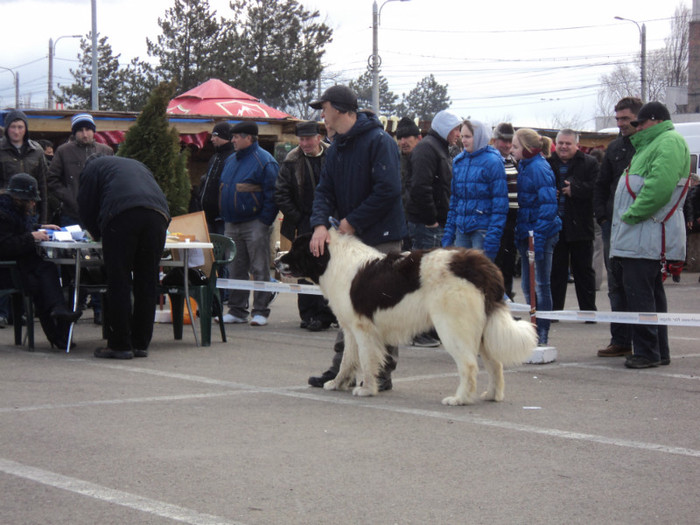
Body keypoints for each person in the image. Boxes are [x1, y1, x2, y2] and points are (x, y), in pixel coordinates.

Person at [307, 84, 406, 390]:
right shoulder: (336, 147)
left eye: (324, 108)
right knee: (346, 305)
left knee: (382, 310)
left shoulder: (379, 142)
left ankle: (379, 373)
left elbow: (388, 190)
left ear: (340, 109)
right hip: (350, 240)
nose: (321, 114)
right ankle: (344, 369)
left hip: (381, 237)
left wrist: (352, 221)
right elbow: (324, 191)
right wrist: (320, 224)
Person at [609, 102, 690, 369]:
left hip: (646, 235)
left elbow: (660, 187)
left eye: (640, 123)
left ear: (655, 121)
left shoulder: (667, 142)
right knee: (649, 294)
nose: (637, 127)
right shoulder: (653, 144)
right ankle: (657, 350)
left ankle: (647, 352)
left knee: (641, 295)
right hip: (642, 236)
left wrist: (631, 215)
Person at [78, 156, 170, 360]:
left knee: (118, 280)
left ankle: (120, 344)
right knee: (147, 281)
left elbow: (85, 205)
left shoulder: (92, 167)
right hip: (158, 216)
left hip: (122, 216)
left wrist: (97, 233)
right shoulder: (138, 164)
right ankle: (140, 343)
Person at [0, 173, 82, 348]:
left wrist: (40, 227)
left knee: (42, 279)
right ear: (18, 198)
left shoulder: (14, 211)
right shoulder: (4, 215)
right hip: (7, 270)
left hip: (22, 265)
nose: (33, 203)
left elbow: (20, 229)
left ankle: (58, 324)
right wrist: (31, 236)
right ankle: (58, 323)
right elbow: (5, 245)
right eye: (30, 200)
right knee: (42, 278)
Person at [47, 112, 114, 324]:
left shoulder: (106, 151)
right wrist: (69, 197)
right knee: (70, 262)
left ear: (94, 131)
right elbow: (52, 179)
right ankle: (72, 307)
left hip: (98, 215)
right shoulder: (63, 152)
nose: (85, 134)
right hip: (72, 215)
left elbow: (112, 178)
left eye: (88, 129)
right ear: (74, 133)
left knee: (99, 261)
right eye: (80, 130)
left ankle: (100, 308)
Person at [404, 109, 461, 348]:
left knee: (434, 277)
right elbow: (420, 186)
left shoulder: (438, 148)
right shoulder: (428, 149)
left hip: (436, 222)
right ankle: (419, 330)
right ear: (447, 129)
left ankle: (431, 327)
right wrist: (431, 219)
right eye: (457, 129)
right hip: (427, 224)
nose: (459, 135)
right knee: (425, 277)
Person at [593, 96, 643, 358]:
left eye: (626, 118)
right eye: (618, 119)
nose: (621, 124)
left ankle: (644, 341)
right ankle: (620, 339)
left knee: (638, 284)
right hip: (613, 225)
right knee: (615, 284)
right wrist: (602, 216)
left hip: (639, 226)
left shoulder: (648, 147)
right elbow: (601, 185)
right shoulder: (614, 148)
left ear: (639, 118)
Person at [275, 120, 335, 332]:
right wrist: (297, 216)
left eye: (309, 139)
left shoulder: (333, 155)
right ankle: (308, 314)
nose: (305, 143)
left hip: (331, 222)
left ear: (318, 138)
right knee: (304, 266)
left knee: (329, 267)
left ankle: (328, 313)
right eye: (301, 139)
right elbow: (281, 193)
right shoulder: (291, 160)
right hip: (304, 221)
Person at [219, 121, 279, 327]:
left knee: (260, 267)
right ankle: (237, 310)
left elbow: (274, 194)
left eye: (236, 137)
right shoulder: (231, 160)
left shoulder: (265, 161)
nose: (233, 140)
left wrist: (264, 221)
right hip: (231, 223)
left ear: (249, 138)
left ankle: (261, 311)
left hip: (255, 223)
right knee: (235, 267)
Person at [511, 128, 561, 346]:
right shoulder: (524, 166)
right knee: (527, 286)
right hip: (527, 232)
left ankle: (542, 332)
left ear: (527, 148)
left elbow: (548, 207)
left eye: (515, 146)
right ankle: (534, 328)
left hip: (541, 233)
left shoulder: (540, 168)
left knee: (540, 284)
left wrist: (537, 239)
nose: (511, 150)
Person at [547, 129, 598, 313]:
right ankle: (554, 311)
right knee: (556, 272)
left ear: (577, 145)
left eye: (568, 143)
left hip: (581, 226)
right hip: (555, 226)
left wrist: (575, 189)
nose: (563, 147)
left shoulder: (589, 163)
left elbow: (596, 189)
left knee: (583, 271)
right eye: (560, 143)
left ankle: (588, 311)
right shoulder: (548, 163)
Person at [442, 119, 508, 261]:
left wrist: (492, 237)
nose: (463, 140)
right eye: (462, 135)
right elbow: (454, 201)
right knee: (460, 277)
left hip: (482, 230)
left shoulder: (493, 162)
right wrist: (448, 232)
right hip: (462, 229)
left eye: (468, 136)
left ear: (479, 136)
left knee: (479, 279)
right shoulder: (459, 161)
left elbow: (500, 204)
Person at [0, 109, 48, 222]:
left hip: (30, 211)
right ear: (7, 128)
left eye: (20, 127)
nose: (16, 131)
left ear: (25, 129)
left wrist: (44, 219)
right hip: (5, 211)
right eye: (13, 127)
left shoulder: (37, 151)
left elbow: (43, 185)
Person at [492, 122, 519, 300]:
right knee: (498, 262)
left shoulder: (513, 160)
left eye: (510, 142)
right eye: (503, 141)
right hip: (499, 216)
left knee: (509, 263)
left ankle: (509, 301)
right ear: (495, 140)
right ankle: (498, 302)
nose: (507, 145)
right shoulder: (493, 160)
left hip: (514, 218)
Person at [199, 122, 235, 235]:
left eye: (215, 135)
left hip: (223, 219)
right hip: (208, 217)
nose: (212, 139)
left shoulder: (233, 157)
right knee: (211, 250)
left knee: (223, 249)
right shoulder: (214, 157)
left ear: (225, 137)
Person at [395, 116, 422, 213]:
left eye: (406, 137)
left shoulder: (427, 161)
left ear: (418, 138)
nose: (402, 142)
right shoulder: (394, 161)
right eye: (399, 138)